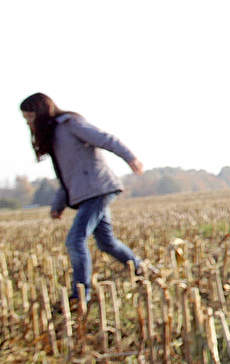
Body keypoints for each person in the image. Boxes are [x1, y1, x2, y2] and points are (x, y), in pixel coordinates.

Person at [19, 93, 149, 303]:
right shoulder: (53, 135)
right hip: (88, 192)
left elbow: (106, 139)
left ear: (40, 113)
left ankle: (81, 295)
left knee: (75, 239)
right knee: (106, 242)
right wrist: (58, 204)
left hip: (98, 188)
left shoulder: (70, 124)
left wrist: (130, 157)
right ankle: (142, 268)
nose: (29, 123)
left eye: (30, 118)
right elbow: (67, 175)